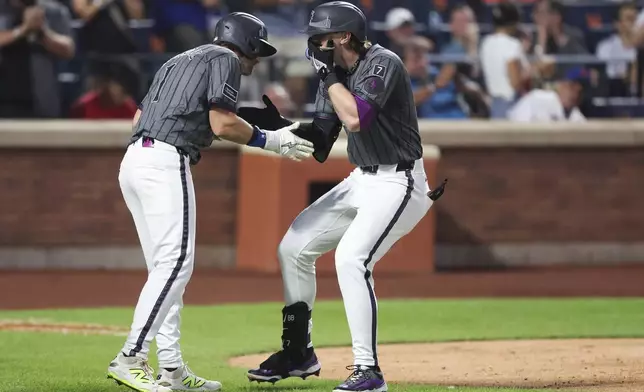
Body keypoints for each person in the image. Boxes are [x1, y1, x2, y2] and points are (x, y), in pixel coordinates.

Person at [238, 2, 446, 391]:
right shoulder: (332, 75)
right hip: (362, 177)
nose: (314, 44)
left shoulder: (382, 63)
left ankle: (369, 373)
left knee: (352, 259)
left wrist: (329, 76)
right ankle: (298, 352)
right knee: (293, 248)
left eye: (320, 37)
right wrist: (275, 128)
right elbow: (320, 142)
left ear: (344, 36)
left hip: (399, 180)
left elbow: (355, 118)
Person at [107, 12, 314, 392]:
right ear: (245, 43)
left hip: (135, 160)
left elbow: (139, 117)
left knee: (166, 270)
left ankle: (170, 368)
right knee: (175, 265)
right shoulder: (227, 59)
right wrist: (272, 140)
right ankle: (131, 357)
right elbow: (222, 124)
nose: (256, 61)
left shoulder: (178, 60)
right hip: (166, 161)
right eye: (257, 50)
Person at [479, 2, 531, 118]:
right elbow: (515, 82)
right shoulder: (512, 44)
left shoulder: (485, 43)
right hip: (511, 105)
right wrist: (529, 71)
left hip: (494, 105)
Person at [507, 67, 588, 122]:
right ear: (561, 85)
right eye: (571, 87)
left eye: (580, 91)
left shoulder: (575, 115)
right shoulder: (537, 99)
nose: (575, 94)